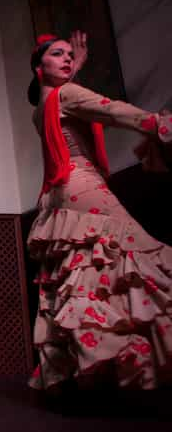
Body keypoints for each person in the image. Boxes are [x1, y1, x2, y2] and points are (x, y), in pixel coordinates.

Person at [26, 32, 172, 391]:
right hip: (83, 187)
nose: (66, 58)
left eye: (68, 55)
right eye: (57, 54)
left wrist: (75, 69)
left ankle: (89, 369)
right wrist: (157, 123)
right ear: (37, 66)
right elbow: (109, 109)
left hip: (59, 195)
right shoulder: (68, 95)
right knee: (142, 259)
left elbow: (69, 100)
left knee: (86, 276)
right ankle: (125, 363)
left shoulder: (41, 107)